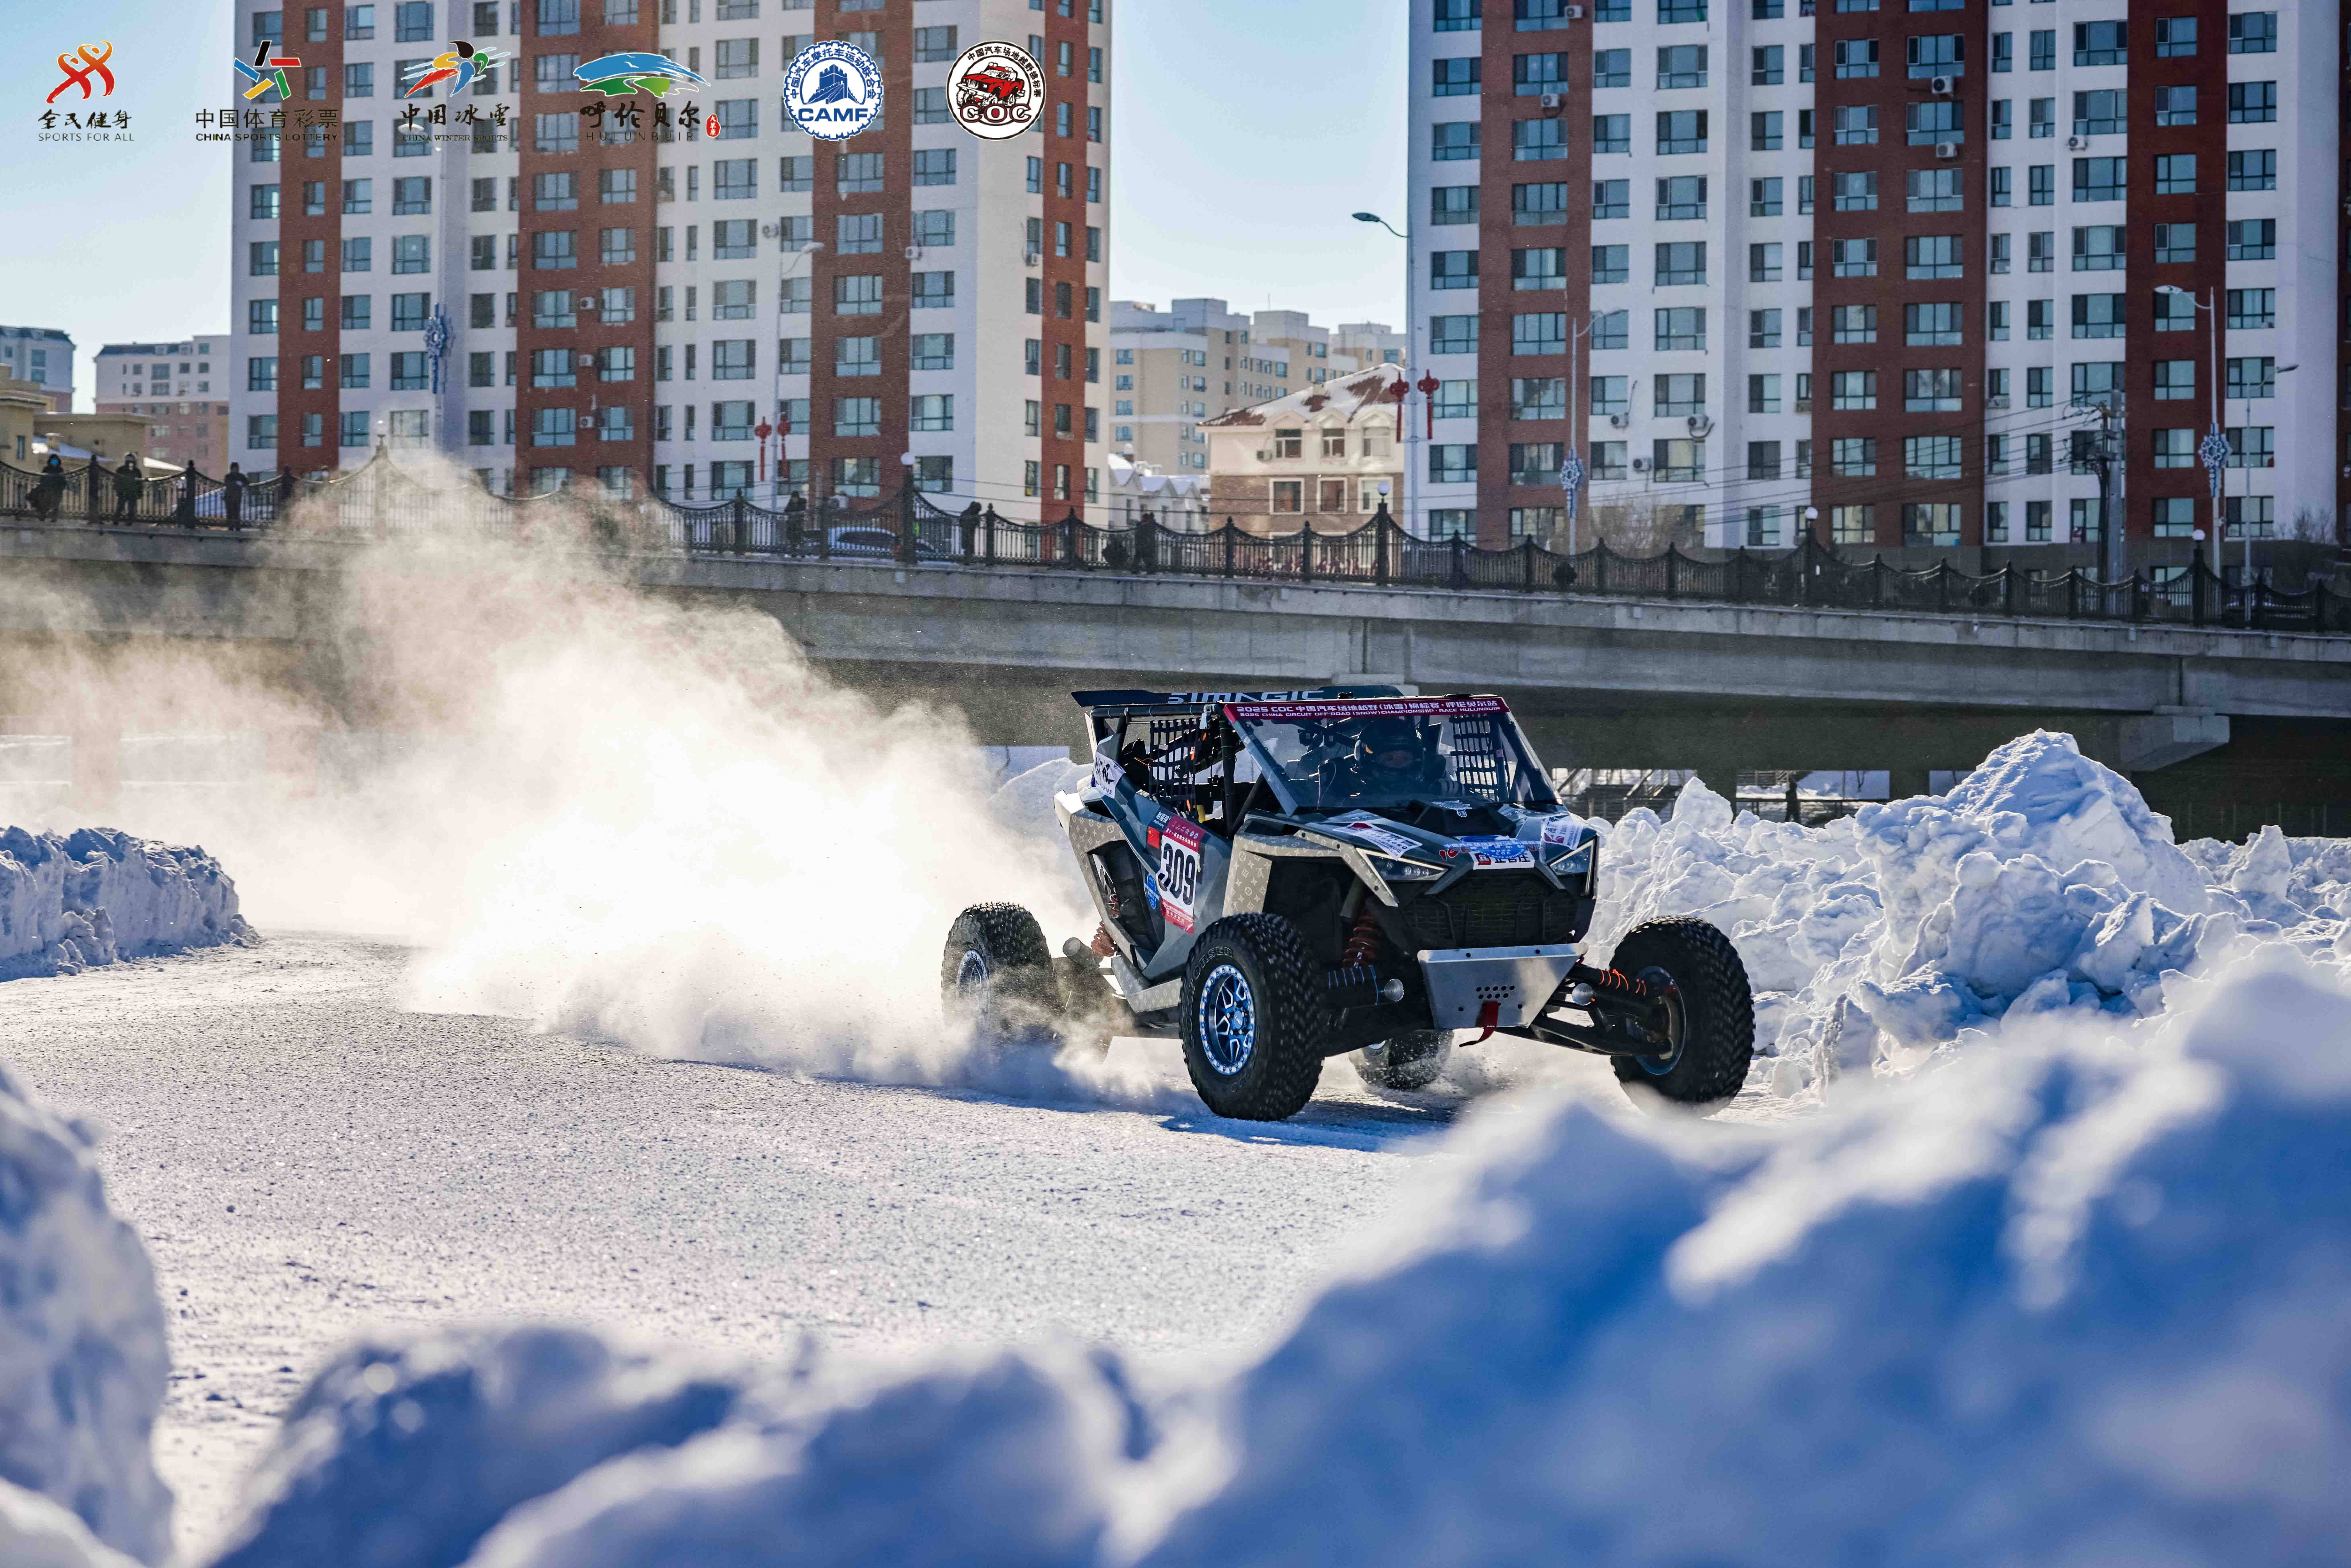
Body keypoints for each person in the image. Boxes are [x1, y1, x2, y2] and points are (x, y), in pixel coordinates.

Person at [1337, 715, 1450, 801]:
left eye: (1405, 759)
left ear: (1418, 760)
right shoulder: (1346, 805)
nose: (1399, 764)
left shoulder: (1439, 793)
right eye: (1389, 759)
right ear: (1370, 762)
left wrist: (1455, 794)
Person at [28, 453, 65, 521]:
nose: (54, 463)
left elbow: (63, 482)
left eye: (56, 461)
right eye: (53, 461)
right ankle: (43, 515)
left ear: (58, 462)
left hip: (57, 491)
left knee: (55, 503)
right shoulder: (46, 469)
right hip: (46, 490)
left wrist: (59, 487)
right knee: (43, 501)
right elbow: (42, 480)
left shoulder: (60, 470)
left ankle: (53, 517)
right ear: (50, 461)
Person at [112, 453, 143, 520]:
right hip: (126, 492)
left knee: (128, 508)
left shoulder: (123, 470)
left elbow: (140, 483)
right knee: (123, 507)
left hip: (129, 492)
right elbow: (117, 481)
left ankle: (123, 520)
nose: (131, 462)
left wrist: (140, 492)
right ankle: (119, 520)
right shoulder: (135, 471)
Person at [222, 461, 247, 530]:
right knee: (230, 513)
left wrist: (241, 484)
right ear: (231, 469)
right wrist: (237, 483)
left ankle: (237, 527)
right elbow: (228, 484)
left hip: (237, 497)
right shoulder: (228, 476)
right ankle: (231, 527)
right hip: (229, 497)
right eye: (234, 469)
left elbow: (247, 483)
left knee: (237, 513)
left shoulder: (241, 476)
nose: (235, 470)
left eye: (236, 468)